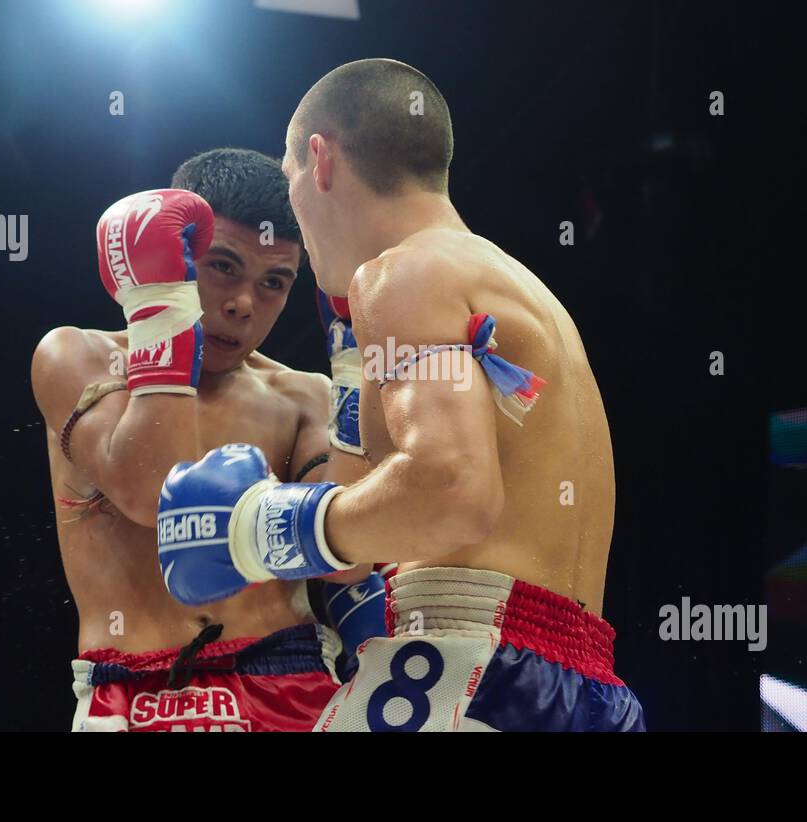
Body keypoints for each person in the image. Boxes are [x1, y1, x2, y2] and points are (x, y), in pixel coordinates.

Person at [154, 60, 644, 731]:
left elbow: (452, 489)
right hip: (584, 688)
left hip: (466, 669)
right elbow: (384, 525)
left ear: (319, 160)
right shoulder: (519, 290)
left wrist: (261, 532)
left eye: (290, 177)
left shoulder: (404, 274)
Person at [31, 148, 370, 732]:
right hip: (131, 690)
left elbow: (353, 559)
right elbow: (148, 493)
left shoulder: (304, 396)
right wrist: (162, 315)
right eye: (222, 267)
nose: (243, 303)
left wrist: (355, 380)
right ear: (172, 256)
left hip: (289, 681)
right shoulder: (78, 357)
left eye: (273, 283)